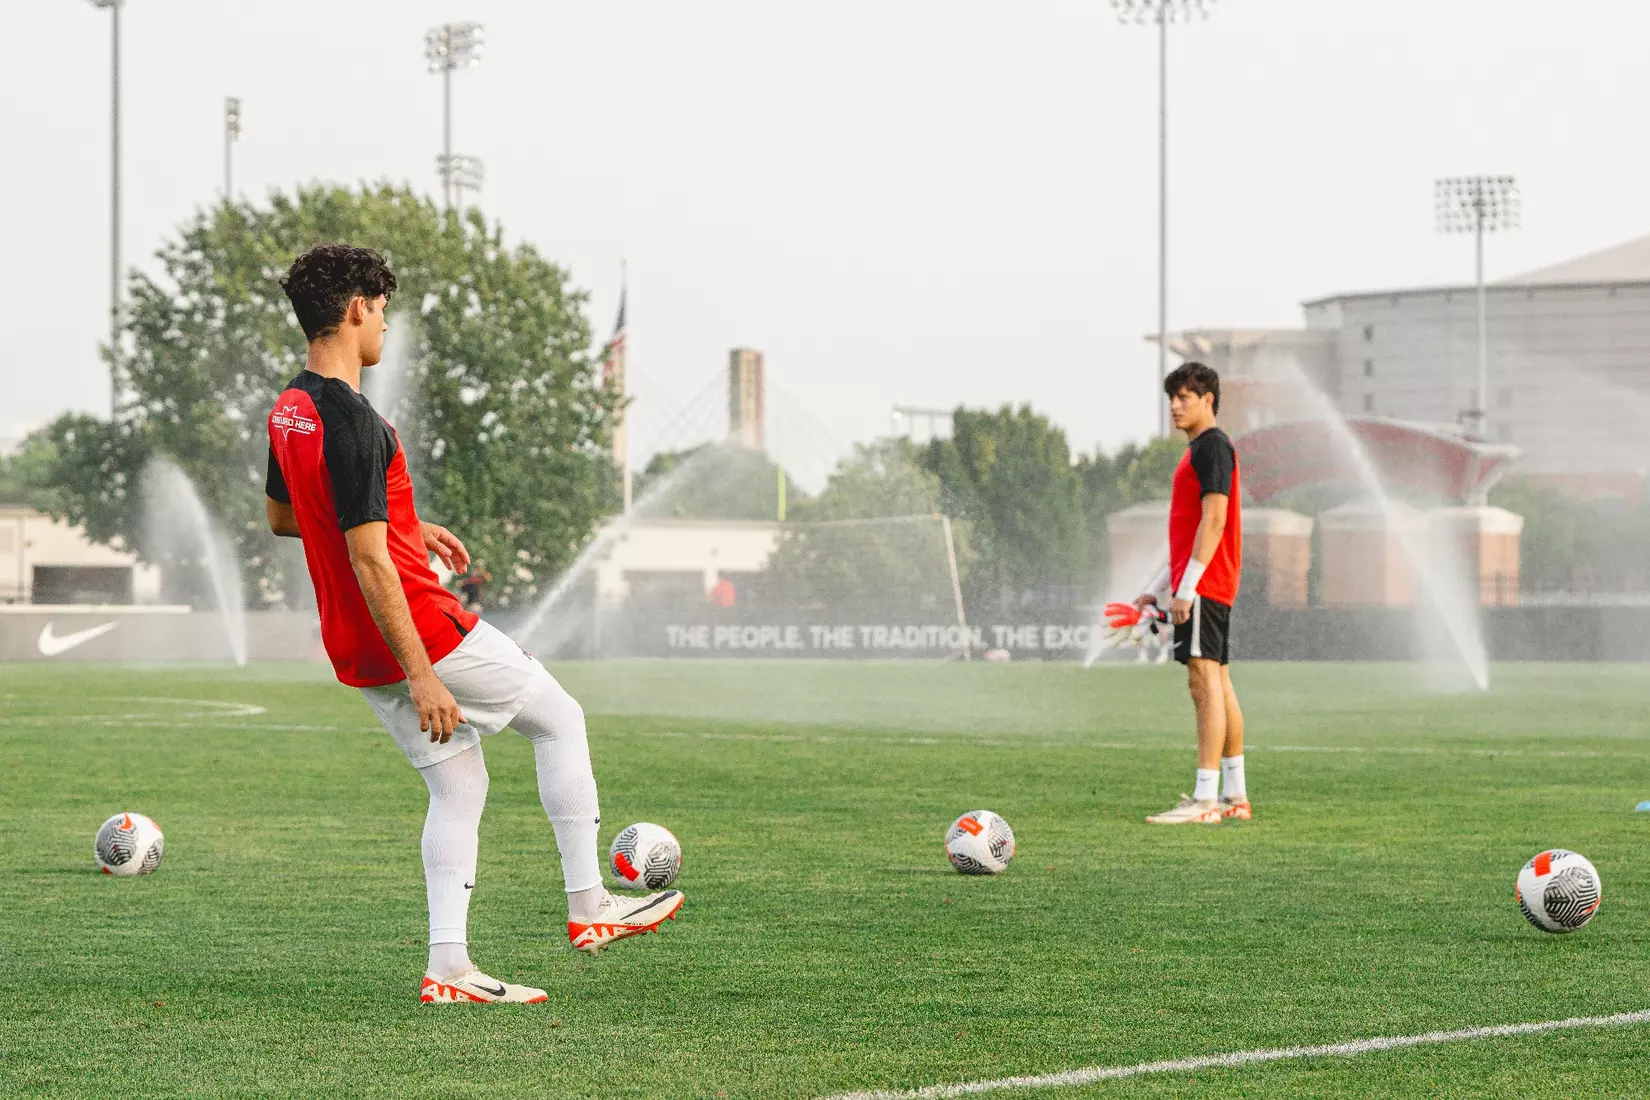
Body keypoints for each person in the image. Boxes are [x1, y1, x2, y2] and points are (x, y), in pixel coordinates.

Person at [264, 244, 682, 1004]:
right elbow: (367, 560)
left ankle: (448, 968)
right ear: (356, 308)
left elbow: (287, 518)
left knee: (458, 790)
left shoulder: (289, 409)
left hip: (354, 647)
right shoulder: (355, 419)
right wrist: (423, 670)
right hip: (424, 630)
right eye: (383, 309)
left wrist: (400, 525)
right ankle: (591, 908)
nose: (385, 325)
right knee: (560, 719)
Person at [1136, 362, 1250, 825]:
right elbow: (1188, 535)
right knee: (1218, 684)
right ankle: (1235, 796)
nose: (1176, 405)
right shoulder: (1199, 451)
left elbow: (1215, 521)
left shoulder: (1213, 447)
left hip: (1205, 586)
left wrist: (1185, 590)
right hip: (1203, 582)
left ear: (1209, 400)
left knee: (1203, 685)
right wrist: (1154, 588)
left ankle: (1205, 801)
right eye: (1173, 397)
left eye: (1186, 396)